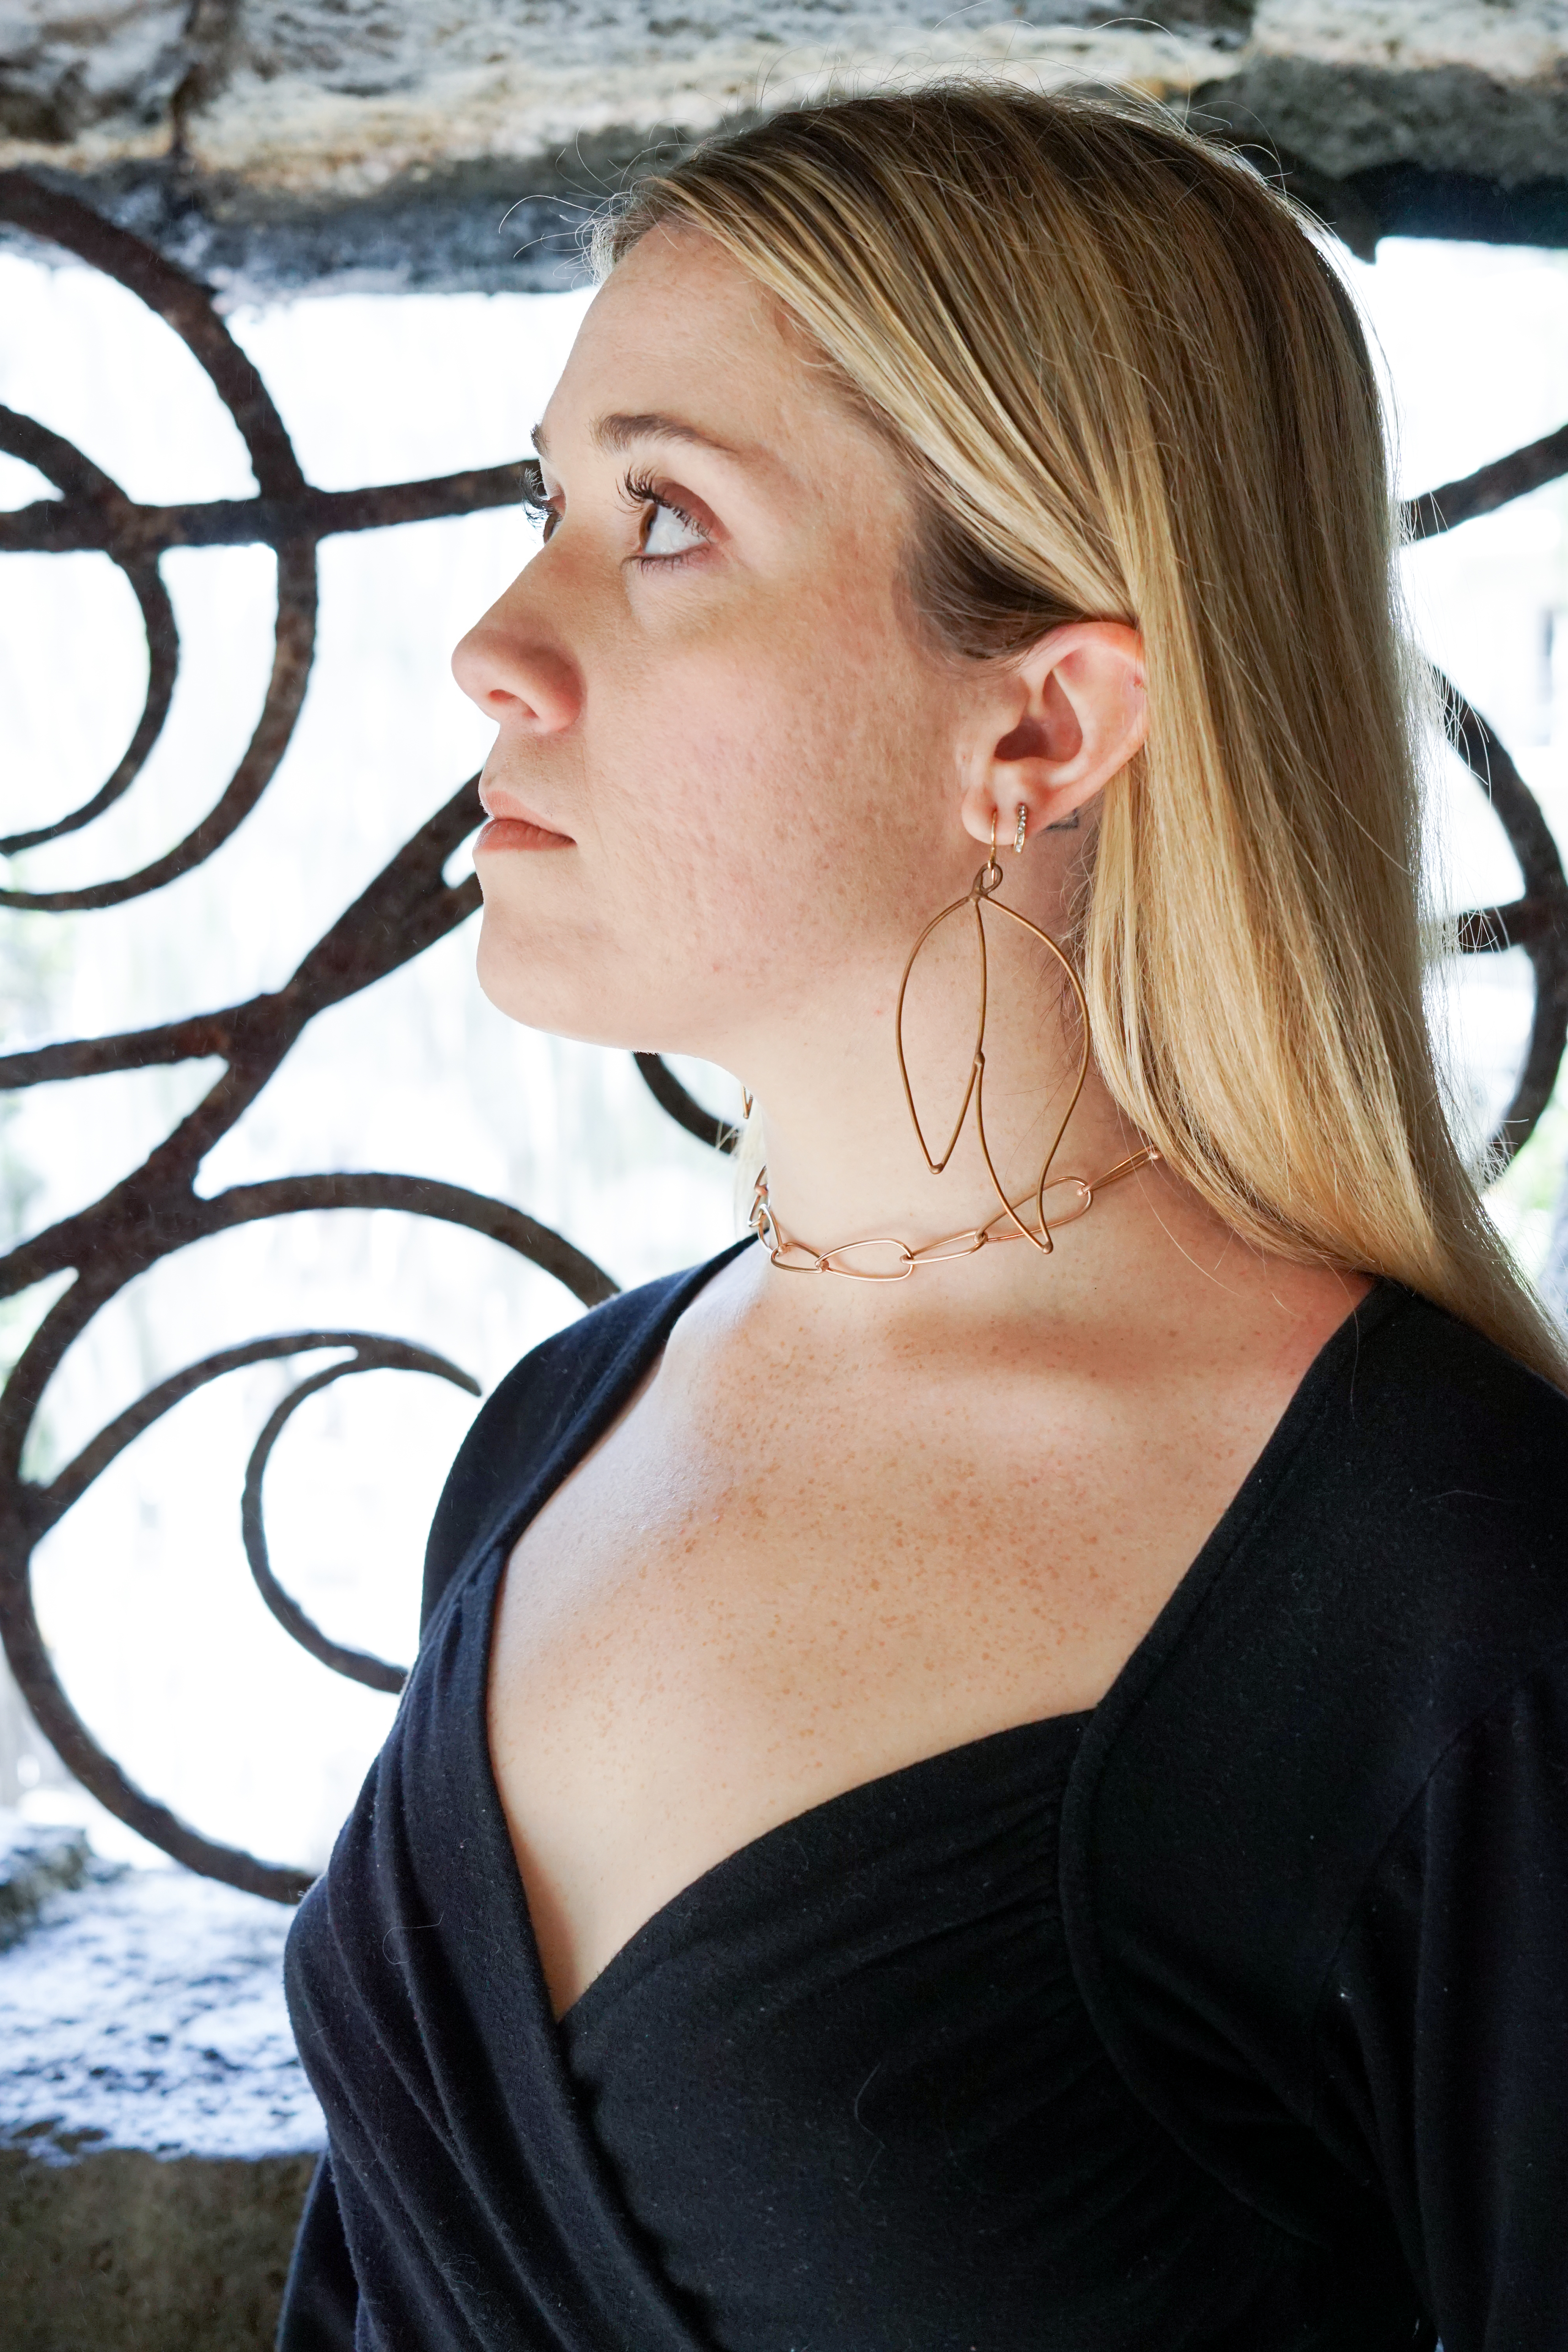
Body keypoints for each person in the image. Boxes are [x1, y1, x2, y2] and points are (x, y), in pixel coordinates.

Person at [278, 84, 1568, 2352]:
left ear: (1045, 725)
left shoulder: (1444, 1583)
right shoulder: (556, 1424)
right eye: (544, 501)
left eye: (663, 519)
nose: (497, 637)